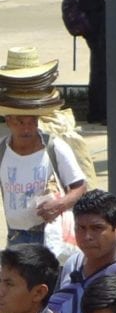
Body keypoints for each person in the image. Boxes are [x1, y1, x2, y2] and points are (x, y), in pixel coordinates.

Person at [0, 103, 86, 250]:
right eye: (20, 122)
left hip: (52, 235)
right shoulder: (2, 150)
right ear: (8, 121)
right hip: (16, 236)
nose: (26, 128)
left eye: (32, 122)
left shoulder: (55, 147)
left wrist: (60, 205)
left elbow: (80, 187)